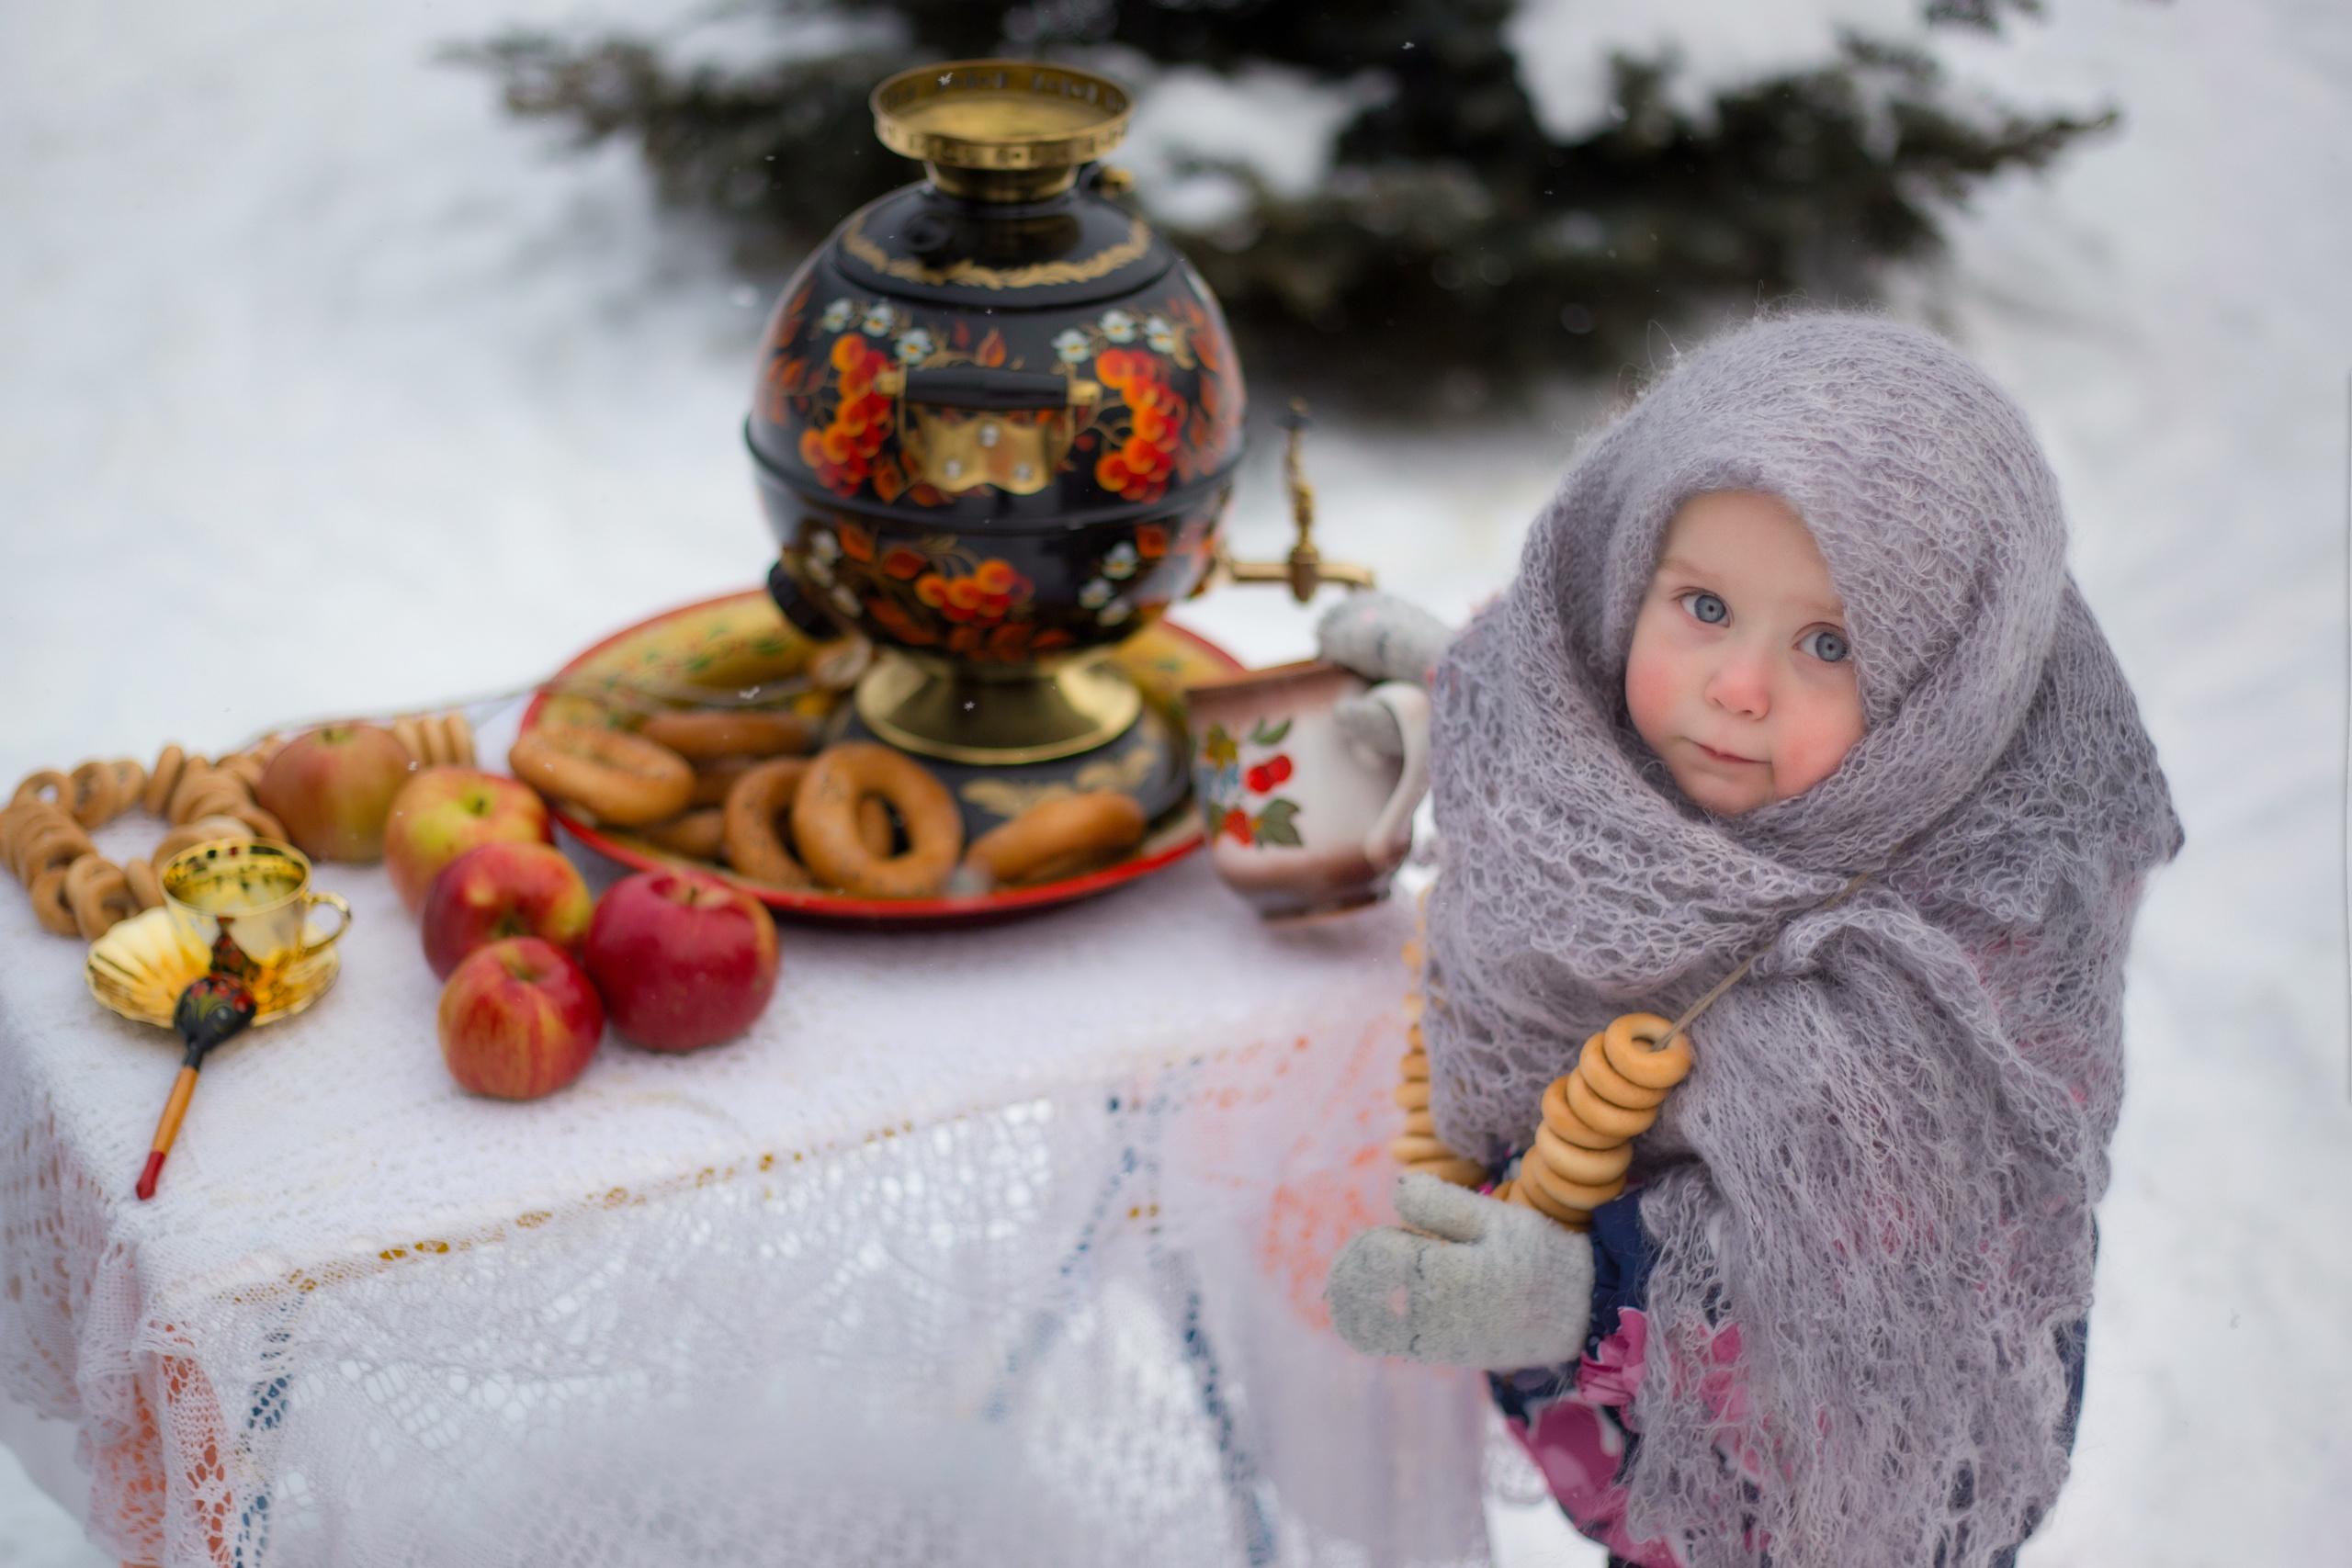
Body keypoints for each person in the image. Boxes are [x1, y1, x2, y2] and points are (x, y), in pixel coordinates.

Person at [1316, 314, 2180, 1568]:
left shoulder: (1942, 962)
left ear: (1950, 683)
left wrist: (1566, 1294)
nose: (1737, 688)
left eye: (1829, 644)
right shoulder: (1645, 765)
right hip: (1630, 1477)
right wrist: (1474, 694)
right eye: (1703, 606)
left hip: (1820, 1495)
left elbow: (1859, 1286)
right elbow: (1562, 709)